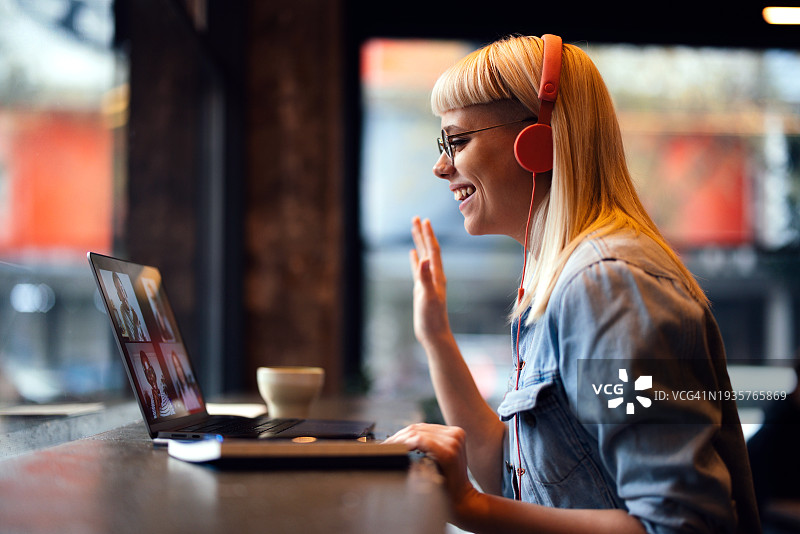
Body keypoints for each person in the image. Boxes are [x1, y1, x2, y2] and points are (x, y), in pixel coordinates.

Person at [385, 34, 761, 534]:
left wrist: (472, 510)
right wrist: (436, 336)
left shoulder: (610, 289)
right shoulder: (562, 282)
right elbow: (509, 475)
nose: (440, 166)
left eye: (457, 141)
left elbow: (681, 526)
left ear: (537, 141)